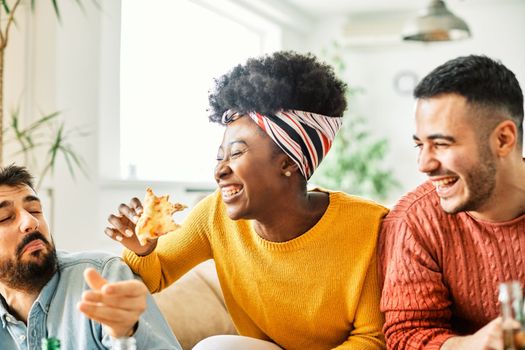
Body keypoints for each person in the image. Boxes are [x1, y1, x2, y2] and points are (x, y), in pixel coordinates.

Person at [105, 51, 388, 350]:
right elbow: (154, 276)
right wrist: (142, 249)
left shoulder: (371, 227)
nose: (219, 170)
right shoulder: (215, 215)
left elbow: (372, 338)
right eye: (219, 157)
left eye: (237, 153)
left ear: (288, 163)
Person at [379, 55, 525, 350]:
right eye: (420, 145)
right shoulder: (415, 220)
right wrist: (471, 345)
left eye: (442, 144)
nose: (424, 164)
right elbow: (407, 334)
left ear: (503, 139)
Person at [0, 165, 181, 349]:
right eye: (5, 217)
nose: (31, 221)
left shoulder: (104, 275)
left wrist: (128, 332)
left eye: (35, 210)